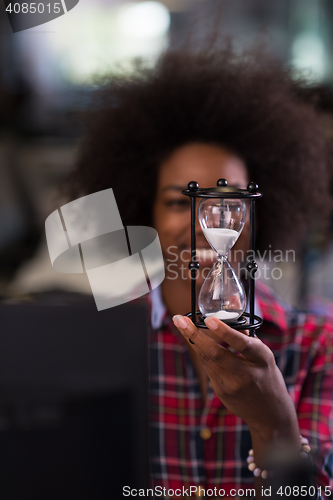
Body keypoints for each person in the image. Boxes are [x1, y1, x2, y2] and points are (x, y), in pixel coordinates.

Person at [65, 47, 333, 499]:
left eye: (228, 203)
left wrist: (274, 426)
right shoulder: (101, 338)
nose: (206, 224)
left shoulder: (317, 346)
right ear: (141, 209)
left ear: (259, 214)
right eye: (178, 202)